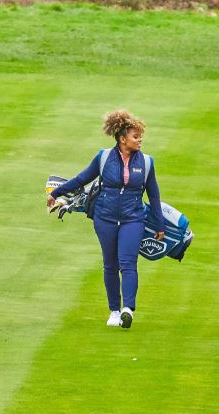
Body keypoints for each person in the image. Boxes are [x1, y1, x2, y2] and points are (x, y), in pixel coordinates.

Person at [47, 110, 164, 329]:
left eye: (140, 137)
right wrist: (56, 193)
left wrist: (159, 224)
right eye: (135, 137)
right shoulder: (103, 158)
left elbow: (154, 194)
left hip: (133, 219)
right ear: (122, 139)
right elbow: (82, 178)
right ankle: (114, 311)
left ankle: (128, 309)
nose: (140, 140)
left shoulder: (147, 163)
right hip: (105, 219)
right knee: (110, 265)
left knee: (128, 263)